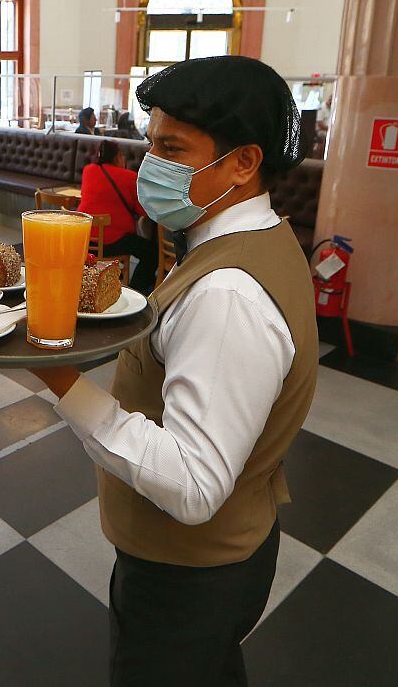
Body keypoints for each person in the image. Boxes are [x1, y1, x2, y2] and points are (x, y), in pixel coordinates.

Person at [30, 56, 317, 687]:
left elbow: (193, 486)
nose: (147, 166)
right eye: (148, 143)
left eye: (171, 147)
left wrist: (61, 381)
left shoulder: (229, 294)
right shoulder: (254, 241)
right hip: (220, 557)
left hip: (188, 578)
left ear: (243, 162)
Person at [77, 140, 158, 294]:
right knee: (152, 253)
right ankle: (136, 290)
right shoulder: (129, 176)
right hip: (114, 242)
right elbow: (142, 211)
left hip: (85, 239)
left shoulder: (88, 170)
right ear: (118, 157)